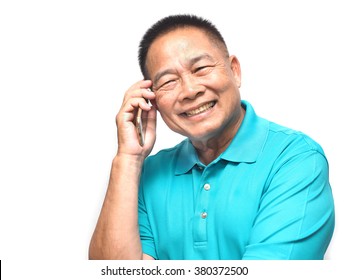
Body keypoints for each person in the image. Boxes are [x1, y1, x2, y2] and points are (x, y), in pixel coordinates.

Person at [89, 14, 334, 260]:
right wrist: (128, 159)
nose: (190, 91)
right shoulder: (148, 173)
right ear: (152, 100)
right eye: (168, 82)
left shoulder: (295, 158)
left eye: (201, 69)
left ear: (234, 71)